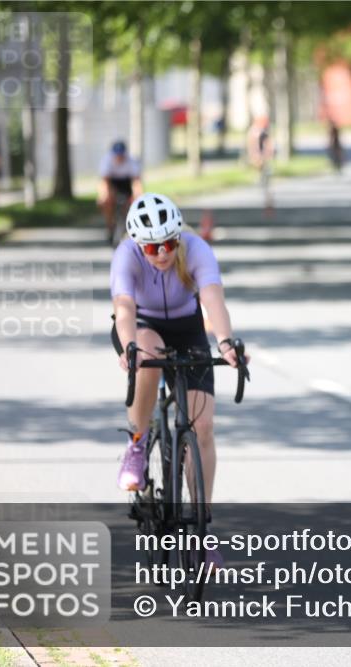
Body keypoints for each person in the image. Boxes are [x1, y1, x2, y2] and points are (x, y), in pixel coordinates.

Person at [110, 193, 245, 567]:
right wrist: (129, 346)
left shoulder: (196, 249)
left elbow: (213, 299)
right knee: (148, 356)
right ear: (139, 244)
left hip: (187, 329)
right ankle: (137, 443)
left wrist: (226, 342)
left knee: (202, 426)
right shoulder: (126, 256)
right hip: (144, 327)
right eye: (152, 247)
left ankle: (202, 530)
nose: (162, 253)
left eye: (169, 243)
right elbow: (123, 309)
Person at [98, 140, 143, 245]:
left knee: (135, 202)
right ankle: (110, 226)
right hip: (112, 182)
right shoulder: (106, 161)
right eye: (117, 155)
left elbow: (136, 182)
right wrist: (105, 196)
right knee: (106, 201)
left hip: (126, 183)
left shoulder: (131, 161)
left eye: (121, 155)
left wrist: (138, 197)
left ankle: (132, 226)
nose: (119, 158)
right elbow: (105, 182)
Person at [246, 116, 275, 211]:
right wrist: (256, 155)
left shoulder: (262, 132)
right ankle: (262, 185)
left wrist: (268, 153)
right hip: (258, 156)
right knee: (262, 172)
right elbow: (254, 145)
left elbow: (268, 144)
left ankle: (266, 193)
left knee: (265, 174)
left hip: (262, 157)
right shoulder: (255, 132)